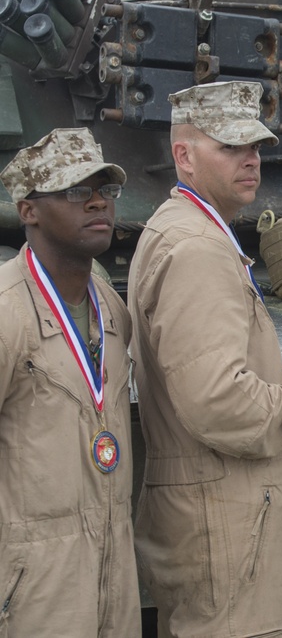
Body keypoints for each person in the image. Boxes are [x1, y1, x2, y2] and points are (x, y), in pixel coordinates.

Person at [128, 81, 282, 636]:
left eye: (257, 147)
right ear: (184, 156)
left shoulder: (191, 232)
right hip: (224, 523)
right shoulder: (196, 248)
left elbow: (203, 373)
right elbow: (215, 400)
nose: (251, 160)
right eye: (231, 146)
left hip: (220, 517)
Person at [0, 128, 141, 634]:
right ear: (29, 210)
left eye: (106, 190)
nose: (99, 202)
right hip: (35, 588)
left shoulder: (110, 308)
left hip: (112, 574)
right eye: (76, 191)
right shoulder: (7, 312)